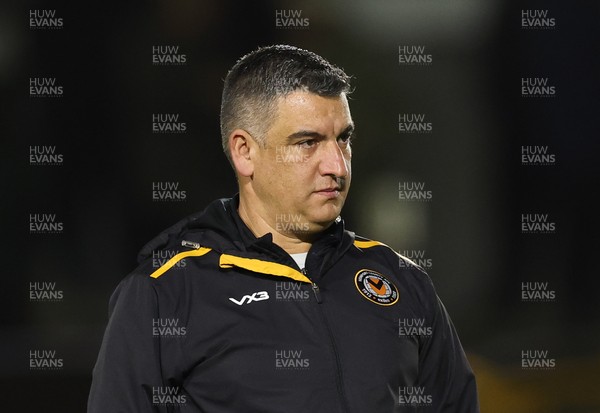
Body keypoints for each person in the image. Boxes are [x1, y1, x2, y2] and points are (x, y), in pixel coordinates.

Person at [88, 44, 479, 412]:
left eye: (343, 139)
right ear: (244, 151)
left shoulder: (402, 281)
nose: (337, 166)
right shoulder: (165, 294)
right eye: (307, 142)